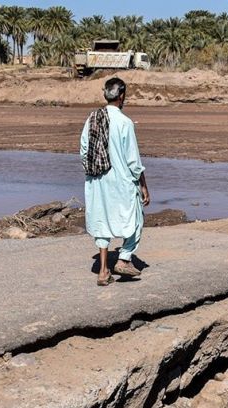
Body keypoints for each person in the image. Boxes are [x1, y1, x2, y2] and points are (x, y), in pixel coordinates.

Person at [80, 77, 151, 286]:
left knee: (102, 222)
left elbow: (84, 151)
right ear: (121, 96)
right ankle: (124, 259)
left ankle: (103, 272)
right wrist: (143, 185)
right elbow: (134, 161)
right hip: (122, 181)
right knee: (136, 219)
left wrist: (93, 173)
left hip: (97, 181)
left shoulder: (92, 118)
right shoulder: (125, 123)